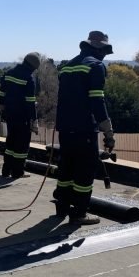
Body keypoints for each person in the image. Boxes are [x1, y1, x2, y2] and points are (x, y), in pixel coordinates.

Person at [53, 31, 116, 225]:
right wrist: (108, 131)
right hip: (84, 128)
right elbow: (97, 101)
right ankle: (79, 213)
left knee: (66, 167)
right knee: (84, 170)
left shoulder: (67, 67)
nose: (105, 55)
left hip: (65, 127)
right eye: (105, 50)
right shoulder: (95, 67)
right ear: (99, 49)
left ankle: (62, 206)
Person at [0, 52, 41, 178]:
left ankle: (6, 171)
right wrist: (34, 119)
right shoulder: (29, 78)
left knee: (10, 143)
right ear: (33, 67)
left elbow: (1, 93)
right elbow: (30, 102)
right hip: (23, 117)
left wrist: (3, 106)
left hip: (10, 115)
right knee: (21, 146)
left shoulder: (9, 73)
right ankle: (17, 172)